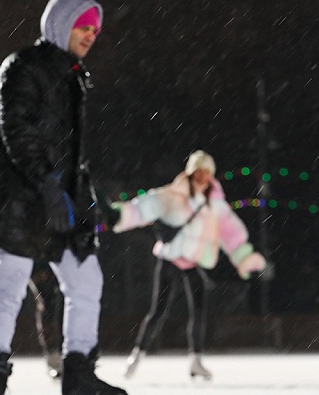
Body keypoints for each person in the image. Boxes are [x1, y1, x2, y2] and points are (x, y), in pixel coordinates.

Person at [0, 0, 129, 395]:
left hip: (64, 200)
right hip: (20, 199)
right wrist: (45, 183)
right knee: (7, 287)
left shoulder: (73, 74)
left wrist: (84, 195)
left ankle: (78, 376)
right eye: (83, 26)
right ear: (61, 23)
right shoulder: (23, 67)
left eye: (95, 28)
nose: (91, 34)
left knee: (86, 281)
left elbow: (73, 148)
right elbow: (15, 129)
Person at [106, 150, 267, 379]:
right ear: (191, 173)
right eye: (198, 172)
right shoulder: (172, 196)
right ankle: (137, 355)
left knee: (200, 311)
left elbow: (230, 232)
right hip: (170, 259)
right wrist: (121, 215)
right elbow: (145, 207)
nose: (202, 177)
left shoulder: (215, 205)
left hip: (193, 263)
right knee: (158, 311)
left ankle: (196, 360)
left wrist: (243, 256)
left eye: (206, 172)